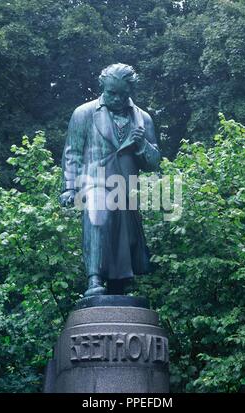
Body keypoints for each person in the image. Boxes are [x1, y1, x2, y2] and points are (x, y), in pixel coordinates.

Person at [60, 63, 160, 297]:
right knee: (97, 221)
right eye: (111, 93)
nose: (116, 98)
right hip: (94, 183)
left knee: (124, 239)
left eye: (122, 94)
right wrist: (69, 187)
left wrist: (141, 145)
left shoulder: (143, 119)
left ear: (130, 91)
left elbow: (154, 162)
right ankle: (94, 279)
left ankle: (119, 287)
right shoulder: (83, 113)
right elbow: (72, 152)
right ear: (102, 88)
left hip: (126, 189)